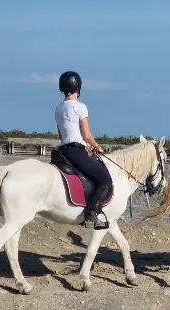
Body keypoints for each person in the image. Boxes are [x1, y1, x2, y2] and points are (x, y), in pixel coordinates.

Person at [55, 71, 112, 229]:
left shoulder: (58, 108)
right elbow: (86, 135)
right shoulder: (80, 107)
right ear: (78, 88)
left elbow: (62, 134)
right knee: (105, 180)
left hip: (62, 151)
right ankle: (91, 214)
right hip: (75, 151)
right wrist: (96, 146)